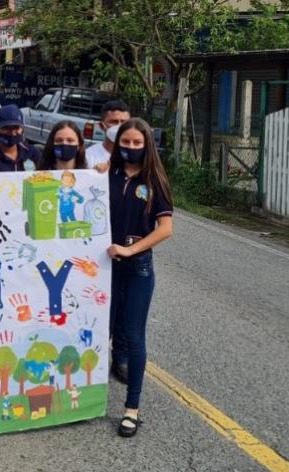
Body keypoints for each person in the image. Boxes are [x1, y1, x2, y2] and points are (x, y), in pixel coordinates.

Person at [106, 118, 173, 438]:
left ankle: (131, 410)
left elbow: (165, 229)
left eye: (137, 143)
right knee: (97, 333)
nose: (131, 147)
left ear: (147, 145)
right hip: (104, 269)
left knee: (133, 337)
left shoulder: (154, 180)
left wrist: (132, 251)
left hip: (137, 270)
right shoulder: (108, 175)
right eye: (126, 142)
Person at [0, 104, 41, 172]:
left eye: (16, 127)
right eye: (6, 128)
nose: (12, 133)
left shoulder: (33, 153)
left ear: (22, 128)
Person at [86, 100, 130, 170]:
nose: (120, 126)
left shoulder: (135, 155)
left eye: (124, 122)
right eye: (114, 122)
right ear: (101, 126)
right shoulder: (88, 156)